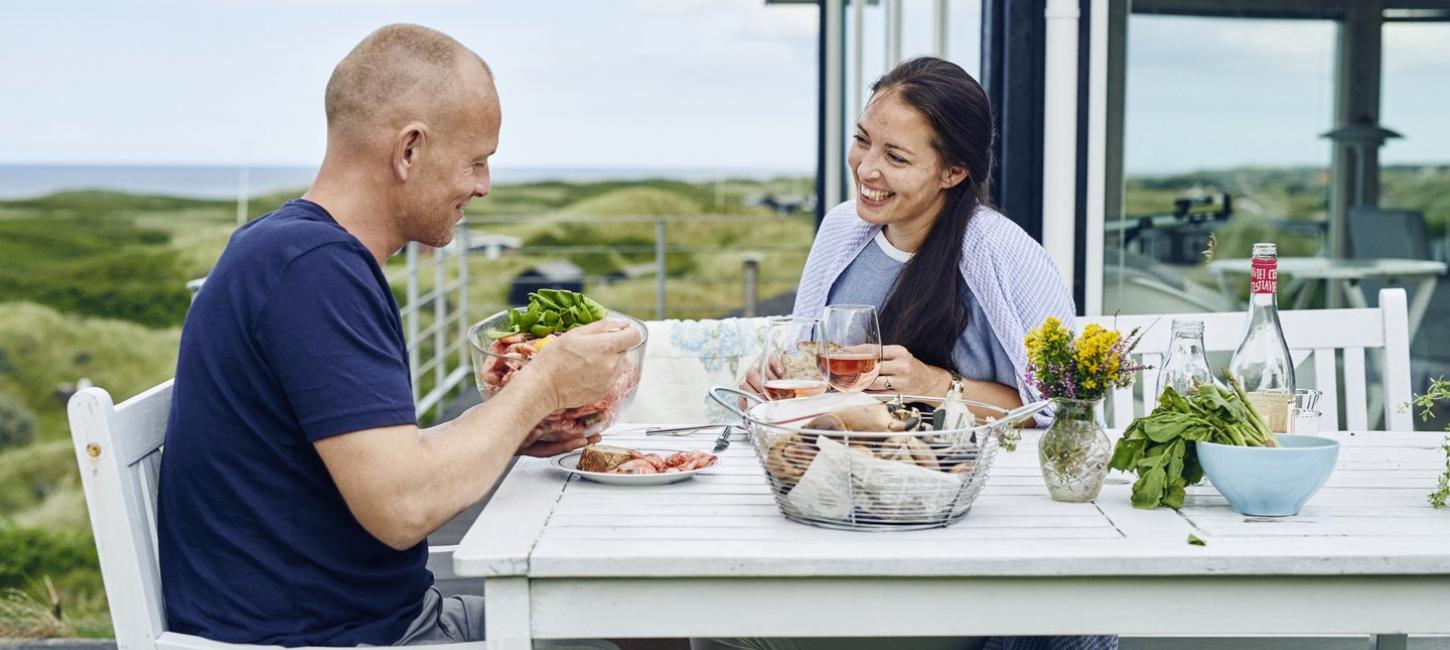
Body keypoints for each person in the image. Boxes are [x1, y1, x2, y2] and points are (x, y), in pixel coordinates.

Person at [155, 24, 641, 646]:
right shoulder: (313, 271)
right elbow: (401, 507)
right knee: (646, 619)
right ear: (409, 149)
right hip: (340, 639)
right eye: (476, 160)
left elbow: (381, 463)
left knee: (634, 622)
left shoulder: (293, 252)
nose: (483, 185)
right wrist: (542, 385)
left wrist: (512, 431)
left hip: (384, 618)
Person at [724, 58, 1115, 650]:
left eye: (897, 157)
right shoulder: (841, 233)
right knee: (711, 615)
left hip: (966, 543)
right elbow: (816, 374)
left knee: (734, 623)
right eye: (862, 141)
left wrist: (937, 385)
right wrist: (784, 381)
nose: (868, 169)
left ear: (953, 171)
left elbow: (1059, 414)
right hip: (839, 512)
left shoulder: (1003, 256)